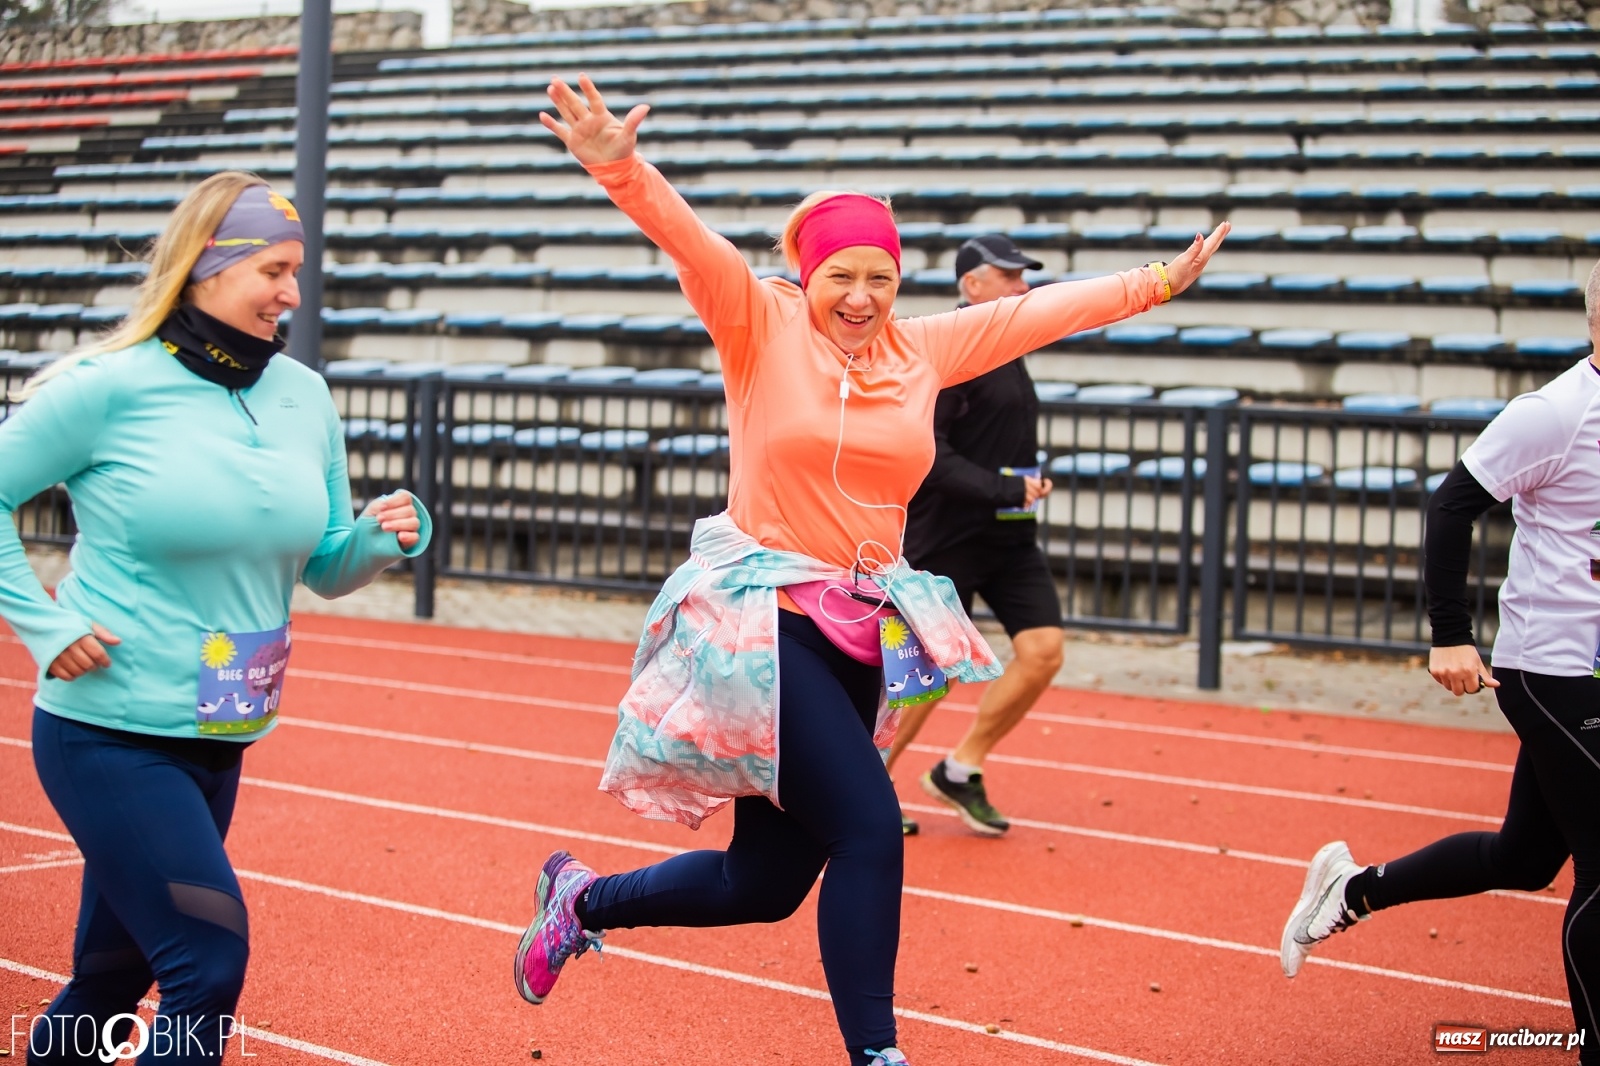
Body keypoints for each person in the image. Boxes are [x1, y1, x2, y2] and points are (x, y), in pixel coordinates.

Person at [514, 75, 1228, 1066]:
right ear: (807, 276)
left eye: (878, 279)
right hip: (763, 624)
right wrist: (615, 162)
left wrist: (1155, 281)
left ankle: (580, 899)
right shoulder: (757, 326)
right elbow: (688, 239)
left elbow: (1047, 313)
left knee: (759, 888)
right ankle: (876, 1054)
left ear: (901, 284)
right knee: (869, 829)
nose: (858, 297)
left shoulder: (923, 350)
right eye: (840, 276)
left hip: (860, 630)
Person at [0, 173, 431, 1064]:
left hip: (222, 729)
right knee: (207, 961)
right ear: (206, 265)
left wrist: (383, 539)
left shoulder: (303, 396)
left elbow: (321, 564)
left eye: (298, 270)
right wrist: (41, 627)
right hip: (109, 732)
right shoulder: (106, 387)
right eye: (273, 268)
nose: (293, 293)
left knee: (110, 982)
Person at [1281, 261, 1600, 1060]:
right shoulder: (1556, 412)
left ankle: (1353, 888)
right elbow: (1452, 504)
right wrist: (1449, 632)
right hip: (1551, 669)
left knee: (1525, 858)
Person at [888, 234, 1064, 837]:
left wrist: (1030, 478)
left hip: (1011, 540)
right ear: (972, 286)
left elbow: (999, 438)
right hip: (945, 543)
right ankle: (866, 789)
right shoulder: (948, 350)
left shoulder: (1010, 345)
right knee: (920, 682)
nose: (1023, 286)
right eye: (1010, 276)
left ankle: (960, 770)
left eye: (1024, 276)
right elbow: (928, 456)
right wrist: (1002, 488)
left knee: (1043, 653)